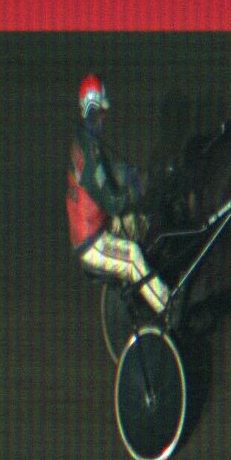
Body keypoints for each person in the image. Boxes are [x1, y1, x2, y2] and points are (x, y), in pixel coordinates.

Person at [67, 74, 171, 311]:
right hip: (91, 242)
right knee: (132, 255)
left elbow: (111, 170)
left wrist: (134, 174)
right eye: (102, 111)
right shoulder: (90, 154)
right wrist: (138, 188)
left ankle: (149, 284)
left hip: (94, 225)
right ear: (93, 110)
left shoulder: (85, 138)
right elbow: (114, 203)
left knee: (141, 222)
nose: (105, 117)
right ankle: (167, 307)